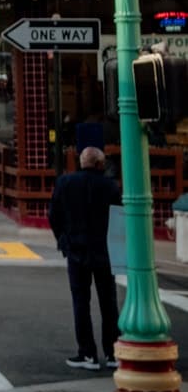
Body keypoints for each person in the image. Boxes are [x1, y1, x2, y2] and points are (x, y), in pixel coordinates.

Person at [50, 146, 122, 370]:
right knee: (108, 302)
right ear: (100, 164)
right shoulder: (110, 186)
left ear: (81, 162)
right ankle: (112, 352)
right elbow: (119, 220)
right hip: (104, 251)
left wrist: (63, 239)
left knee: (81, 302)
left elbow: (54, 215)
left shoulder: (65, 183)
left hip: (76, 249)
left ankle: (87, 353)